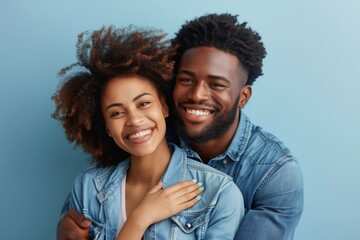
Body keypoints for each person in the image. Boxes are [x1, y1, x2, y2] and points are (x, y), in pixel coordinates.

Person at [58, 13, 304, 240]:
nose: (197, 95)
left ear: (243, 96)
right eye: (186, 80)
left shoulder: (273, 173)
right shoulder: (145, 135)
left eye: (216, 84)